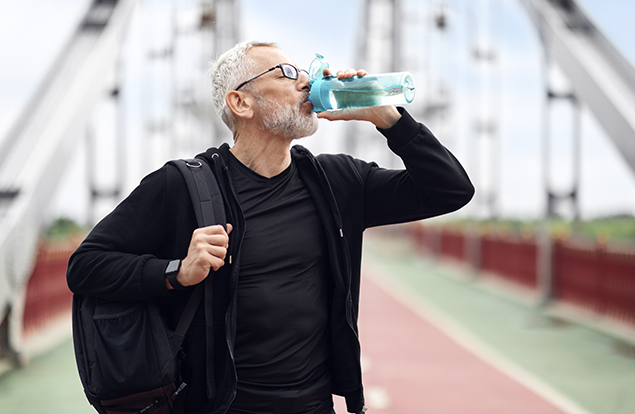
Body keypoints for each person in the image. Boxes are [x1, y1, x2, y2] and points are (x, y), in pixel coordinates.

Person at [67, 40, 474, 414]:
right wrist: (175, 272)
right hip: (220, 406)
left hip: (314, 404)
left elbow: (450, 190)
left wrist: (389, 119)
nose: (307, 82)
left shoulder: (337, 182)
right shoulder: (183, 186)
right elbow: (86, 266)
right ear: (241, 102)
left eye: (306, 72)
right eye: (287, 73)